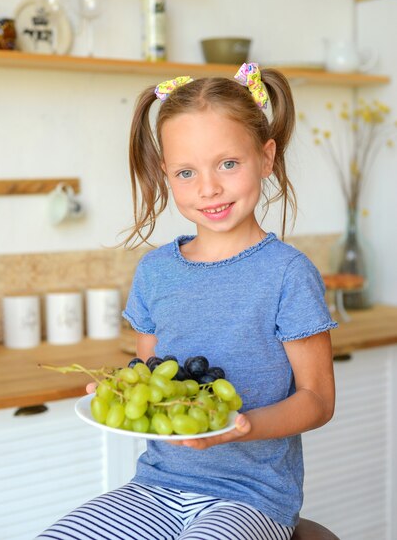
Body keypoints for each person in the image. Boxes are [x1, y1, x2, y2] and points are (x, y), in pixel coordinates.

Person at [37, 63, 337, 540]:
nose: (208, 188)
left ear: (266, 157)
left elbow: (317, 400)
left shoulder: (287, 273)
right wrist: (116, 392)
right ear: (166, 175)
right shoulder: (155, 272)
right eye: (186, 172)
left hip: (253, 496)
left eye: (228, 164)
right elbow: (152, 379)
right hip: (154, 487)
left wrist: (239, 426)